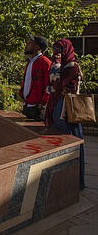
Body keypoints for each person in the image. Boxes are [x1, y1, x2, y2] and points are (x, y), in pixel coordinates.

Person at [45, 39, 85, 190]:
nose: (57, 53)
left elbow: (59, 85)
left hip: (68, 114)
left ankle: (76, 183)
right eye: (55, 49)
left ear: (67, 50)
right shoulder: (61, 66)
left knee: (73, 147)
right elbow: (52, 85)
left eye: (60, 50)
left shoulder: (72, 67)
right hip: (59, 110)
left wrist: (56, 71)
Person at [19, 35, 51, 120]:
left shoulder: (45, 63)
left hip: (37, 107)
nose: (26, 45)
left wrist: (43, 103)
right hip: (27, 104)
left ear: (37, 47)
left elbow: (49, 85)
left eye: (30, 43)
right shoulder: (30, 62)